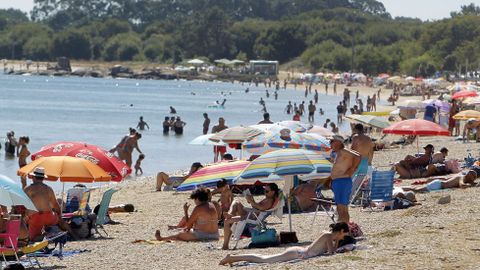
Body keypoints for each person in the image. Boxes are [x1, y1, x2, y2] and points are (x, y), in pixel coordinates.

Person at [219, 222, 350, 265]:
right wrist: (338, 240)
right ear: (342, 231)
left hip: (299, 251)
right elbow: (331, 252)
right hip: (299, 253)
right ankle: (232, 257)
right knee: (265, 259)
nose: (345, 236)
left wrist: (337, 240)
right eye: (345, 234)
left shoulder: (327, 234)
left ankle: (234, 258)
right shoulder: (328, 236)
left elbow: (329, 251)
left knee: (265, 259)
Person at [222, 183, 279, 250]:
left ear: (273, 192)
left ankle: (225, 245)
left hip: (252, 218)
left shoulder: (270, 201)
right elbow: (257, 207)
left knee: (227, 221)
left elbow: (261, 208)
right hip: (251, 215)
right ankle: (230, 214)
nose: (265, 193)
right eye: (264, 191)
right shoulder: (267, 199)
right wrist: (251, 200)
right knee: (236, 202)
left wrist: (251, 201)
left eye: (267, 191)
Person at [328, 135, 361, 223]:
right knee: (340, 207)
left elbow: (358, 156)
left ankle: (344, 227)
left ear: (338, 142)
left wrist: (352, 169)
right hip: (338, 181)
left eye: (332, 141)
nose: (330, 143)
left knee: (342, 207)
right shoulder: (339, 152)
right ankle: (342, 226)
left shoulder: (344, 151)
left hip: (342, 181)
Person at [23, 167, 61, 240]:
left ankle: (44, 236)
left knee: (32, 238)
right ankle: (49, 234)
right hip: (49, 216)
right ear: (43, 178)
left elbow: (23, 206)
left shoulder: (28, 189)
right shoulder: (48, 188)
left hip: (35, 218)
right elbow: (55, 205)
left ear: (33, 177)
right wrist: (59, 216)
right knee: (54, 218)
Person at [403, 170, 478, 193]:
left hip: (439, 184)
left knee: (417, 189)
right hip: (438, 185)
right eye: (473, 176)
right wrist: (470, 185)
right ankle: (401, 188)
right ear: (468, 175)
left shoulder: (464, 177)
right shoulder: (462, 178)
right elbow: (462, 185)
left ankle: (402, 188)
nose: (474, 178)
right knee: (416, 190)